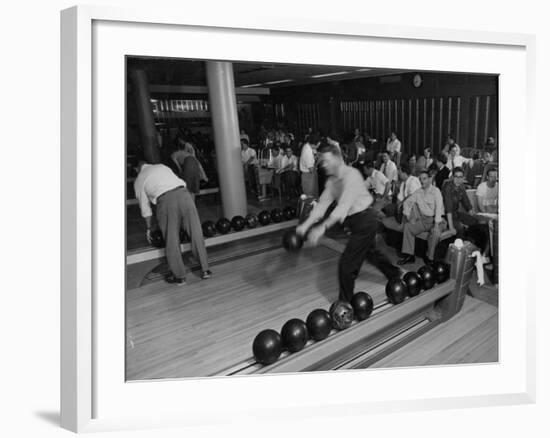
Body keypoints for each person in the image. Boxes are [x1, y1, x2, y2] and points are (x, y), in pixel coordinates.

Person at [296, 143, 401, 303]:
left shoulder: (351, 175)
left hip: (366, 220)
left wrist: (322, 227)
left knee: (346, 265)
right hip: (356, 223)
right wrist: (305, 225)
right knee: (370, 253)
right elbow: (323, 204)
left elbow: (344, 205)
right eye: (321, 161)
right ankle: (394, 273)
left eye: (326, 161)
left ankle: (345, 304)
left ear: (337, 159)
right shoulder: (332, 181)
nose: (323, 165)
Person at [134, 162, 211, 284]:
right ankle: (205, 269)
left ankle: (179, 277)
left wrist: (149, 228)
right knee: (196, 232)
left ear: (136, 169)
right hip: (185, 195)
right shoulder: (162, 166)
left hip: (166, 201)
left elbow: (145, 209)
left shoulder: (139, 179)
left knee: (171, 239)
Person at [397, 170, 444, 265]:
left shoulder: (436, 191)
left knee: (435, 234)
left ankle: (430, 259)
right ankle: (409, 256)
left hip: (438, 220)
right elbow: (407, 202)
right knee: (408, 227)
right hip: (424, 220)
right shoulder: (418, 192)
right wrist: (409, 216)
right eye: (420, 179)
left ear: (430, 179)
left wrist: (436, 225)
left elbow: (439, 209)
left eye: (424, 178)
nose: (422, 181)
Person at [442, 167, 477, 239]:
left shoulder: (461, 186)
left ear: (463, 178)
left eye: (460, 177)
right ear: (452, 177)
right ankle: (459, 247)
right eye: (456, 177)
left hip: (455, 213)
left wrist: (472, 213)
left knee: (474, 221)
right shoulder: (447, 187)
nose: (458, 179)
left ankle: (470, 243)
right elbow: (448, 209)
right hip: (446, 215)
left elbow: (466, 202)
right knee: (460, 228)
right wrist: (451, 228)